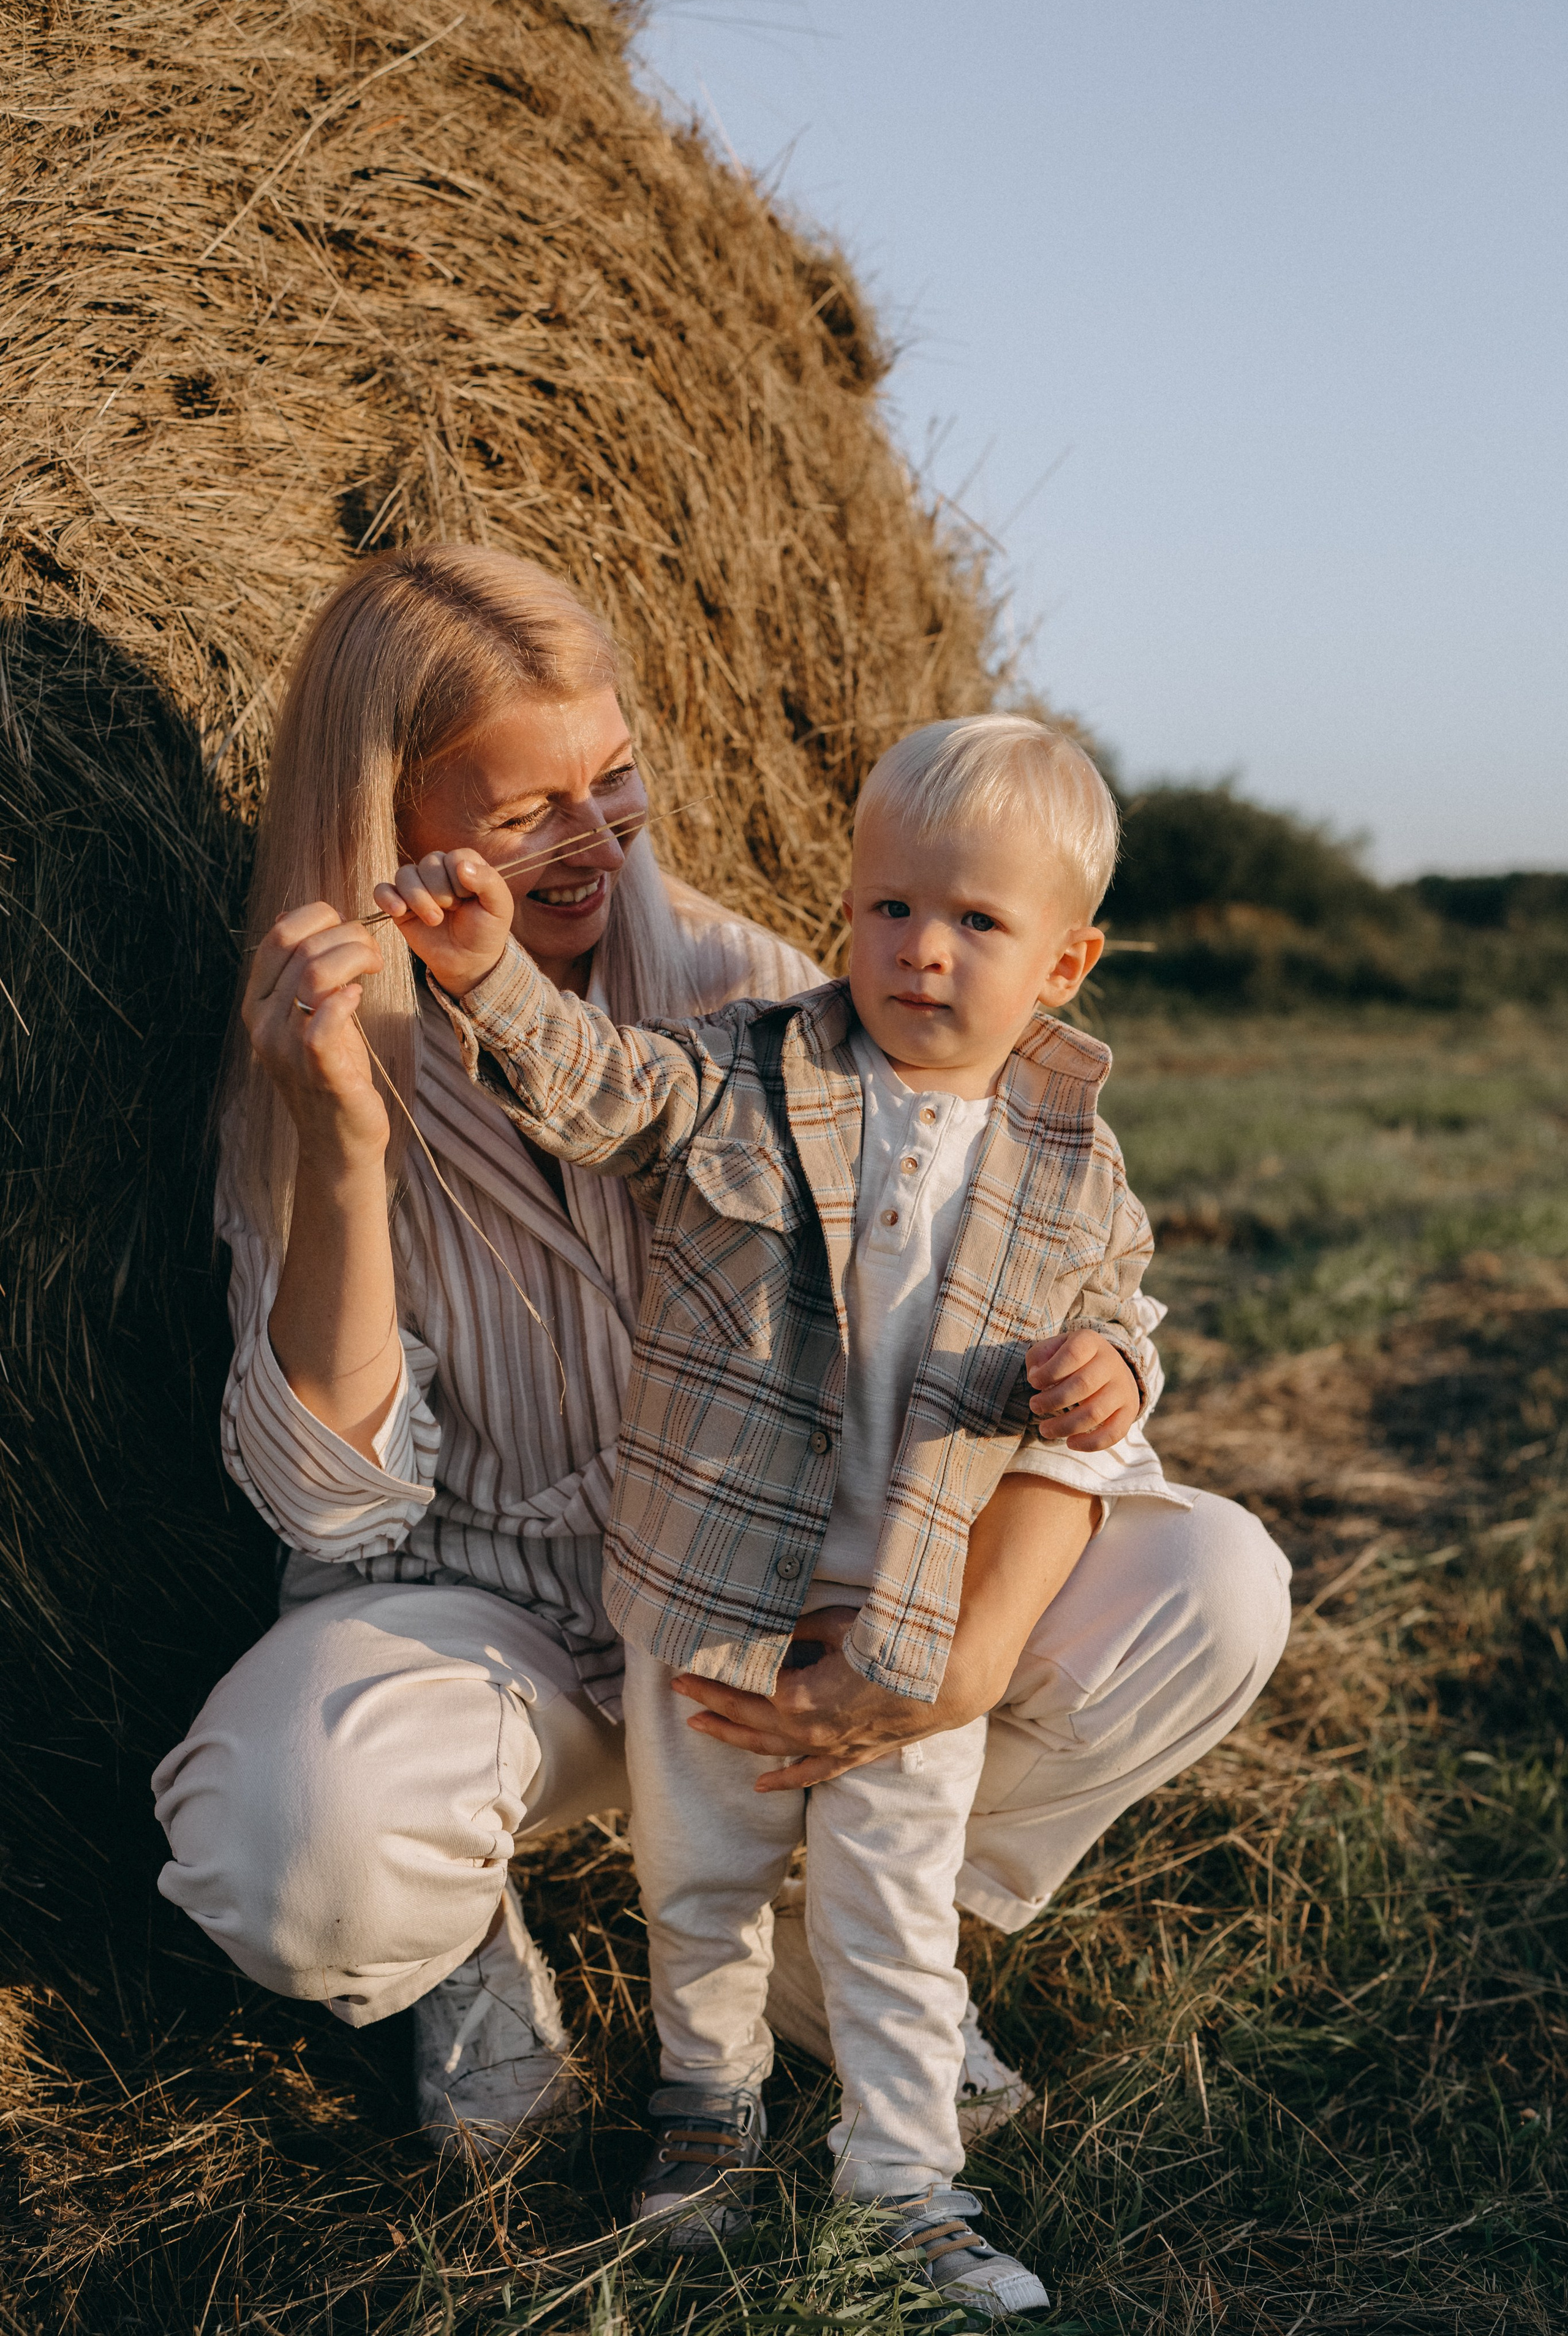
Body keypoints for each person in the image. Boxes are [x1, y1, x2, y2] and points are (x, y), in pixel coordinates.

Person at [152, 544, 1289, 2196]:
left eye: (612, 781)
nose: (596, 840)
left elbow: (1026, 1276)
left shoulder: (764, 1002)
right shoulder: (304, 1056)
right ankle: (469, 1946)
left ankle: (838, 1932)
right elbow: (332, 1495)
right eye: (522, 808)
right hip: (503, 1624)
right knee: (278, 1844)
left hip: (777, 1594)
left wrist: (953, 1652)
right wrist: (341, 1142)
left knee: (1215, 1587)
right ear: (390, 826)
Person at [371, 714, 1290, 2318]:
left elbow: (1122, 1316)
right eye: (890, 908)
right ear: (849, 905)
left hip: (916, 1610)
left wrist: (1108, 1372)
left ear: (1064, 965)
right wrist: (487, 980)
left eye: (977, 923)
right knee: (701, 1883)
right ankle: (703, 2118)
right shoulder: (746, 1071)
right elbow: (602, 1092)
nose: (922, 950)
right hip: (714, 1574)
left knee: (890, 1907)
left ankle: (906, 2191)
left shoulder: (1076, 1163)